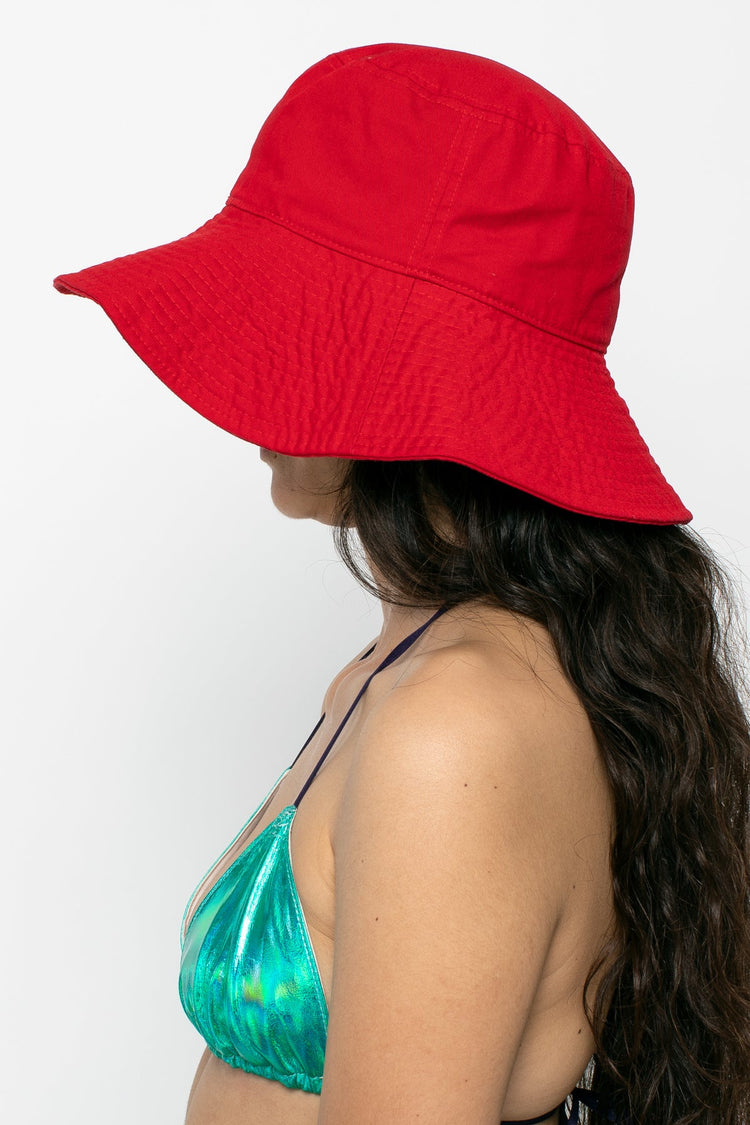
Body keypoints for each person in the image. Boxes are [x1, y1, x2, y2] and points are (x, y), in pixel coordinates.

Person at [53, 42, 749, 1125]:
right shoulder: (411, 664)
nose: (248, 378)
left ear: (409, 385)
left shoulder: (455, 725)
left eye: (294, 328)